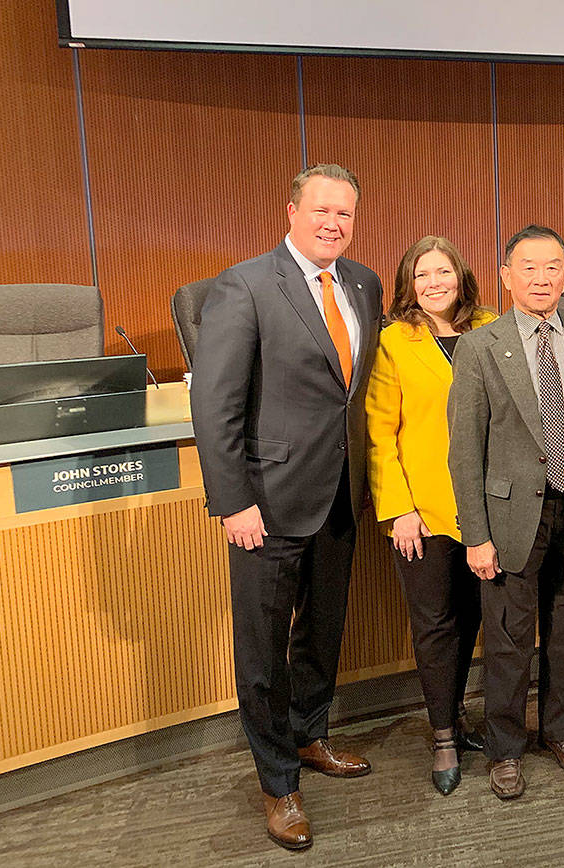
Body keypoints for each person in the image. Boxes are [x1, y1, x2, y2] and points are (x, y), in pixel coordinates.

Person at [190, 164, 381, 850]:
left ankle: (309, 736)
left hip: (340, 496)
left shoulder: (362, 282)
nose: (334, 223)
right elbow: (215, 406)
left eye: (346, 214)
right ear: (292, 210)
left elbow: (353, 395)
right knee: (264, 649)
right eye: (322, 210)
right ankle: (278, 784)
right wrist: (233, 501)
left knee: (323, 629)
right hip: (265, 504)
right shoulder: (244, 284)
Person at [448, 224, 564, 801]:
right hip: (508, 520)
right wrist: (475, 535)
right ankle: (504, 748)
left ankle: (562, 731)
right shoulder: (480, 346)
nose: (542, 278)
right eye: (529, 267)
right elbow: (464, 450)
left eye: (553, 267)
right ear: (506, 276)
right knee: (507, 639)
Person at [365, 236, 497, 795]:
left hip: (488, 507)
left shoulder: (491, 326)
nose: (434, 284)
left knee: (472, 618)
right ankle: (443, 733)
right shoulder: (394, 342)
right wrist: (399, 511)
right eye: (422, 276)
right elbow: (378, 434)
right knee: (436, 623)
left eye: (443, 273)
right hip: (424, 509)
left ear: (462, 278)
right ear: (408, 285)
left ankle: (458, 713)